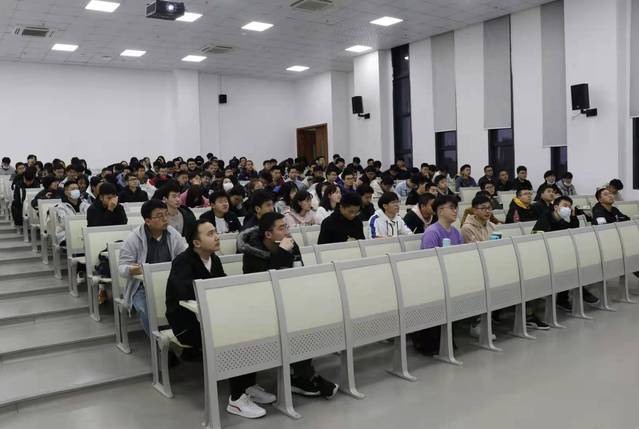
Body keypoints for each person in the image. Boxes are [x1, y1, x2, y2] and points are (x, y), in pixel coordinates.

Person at [165, 219, 274, 418]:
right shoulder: (182, 262)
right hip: (187, 324)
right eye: (210, 234)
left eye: (216, 232)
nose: (217, 237)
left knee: (251, 331)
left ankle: (248, 386)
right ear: (196, 242)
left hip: (213, 319)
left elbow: (221, 283)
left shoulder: (213, 259)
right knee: (233, 339)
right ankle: (236, 399)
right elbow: (185, 292)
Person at [238, 212, 339, 398]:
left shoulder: (290, 244)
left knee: (309, 318)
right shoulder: (252, 254)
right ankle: (301, 376)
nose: (287, 232)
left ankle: (301, 374)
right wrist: (282, 253)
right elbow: (265, 283)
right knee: (295, 323)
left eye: (286, 227)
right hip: (262, 307)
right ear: (268, 234)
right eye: (281, 228)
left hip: (290, 300)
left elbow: (298, 271)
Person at [118, 199, 188, 336]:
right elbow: (121, 268)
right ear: (148, 221)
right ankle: (158, 344)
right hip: (142, 286)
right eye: (159, 216)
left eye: (166, 214)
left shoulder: (172, 234)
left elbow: (185, 254)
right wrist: (131, 269)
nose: (165, 219)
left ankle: (180, 337)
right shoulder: (133, 238)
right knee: (145, 311)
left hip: (169, 283)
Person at [414, 195, 463, 355]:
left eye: (456, 208)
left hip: (452, 277)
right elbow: (429, 263)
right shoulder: (432, 232)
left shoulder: (456, 232)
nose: (455, 211)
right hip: (433, 280)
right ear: (440, 211)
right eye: (452, 208)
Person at [460, 193, 497, 339]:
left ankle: (489, 319)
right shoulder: (467, 228)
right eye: (483, 208)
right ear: (475, 210)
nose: (487, 211)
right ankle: (476, 324)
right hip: (474, 267)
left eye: (489, 208)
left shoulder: (491, 225)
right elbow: (476, 250)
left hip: (491, 264)